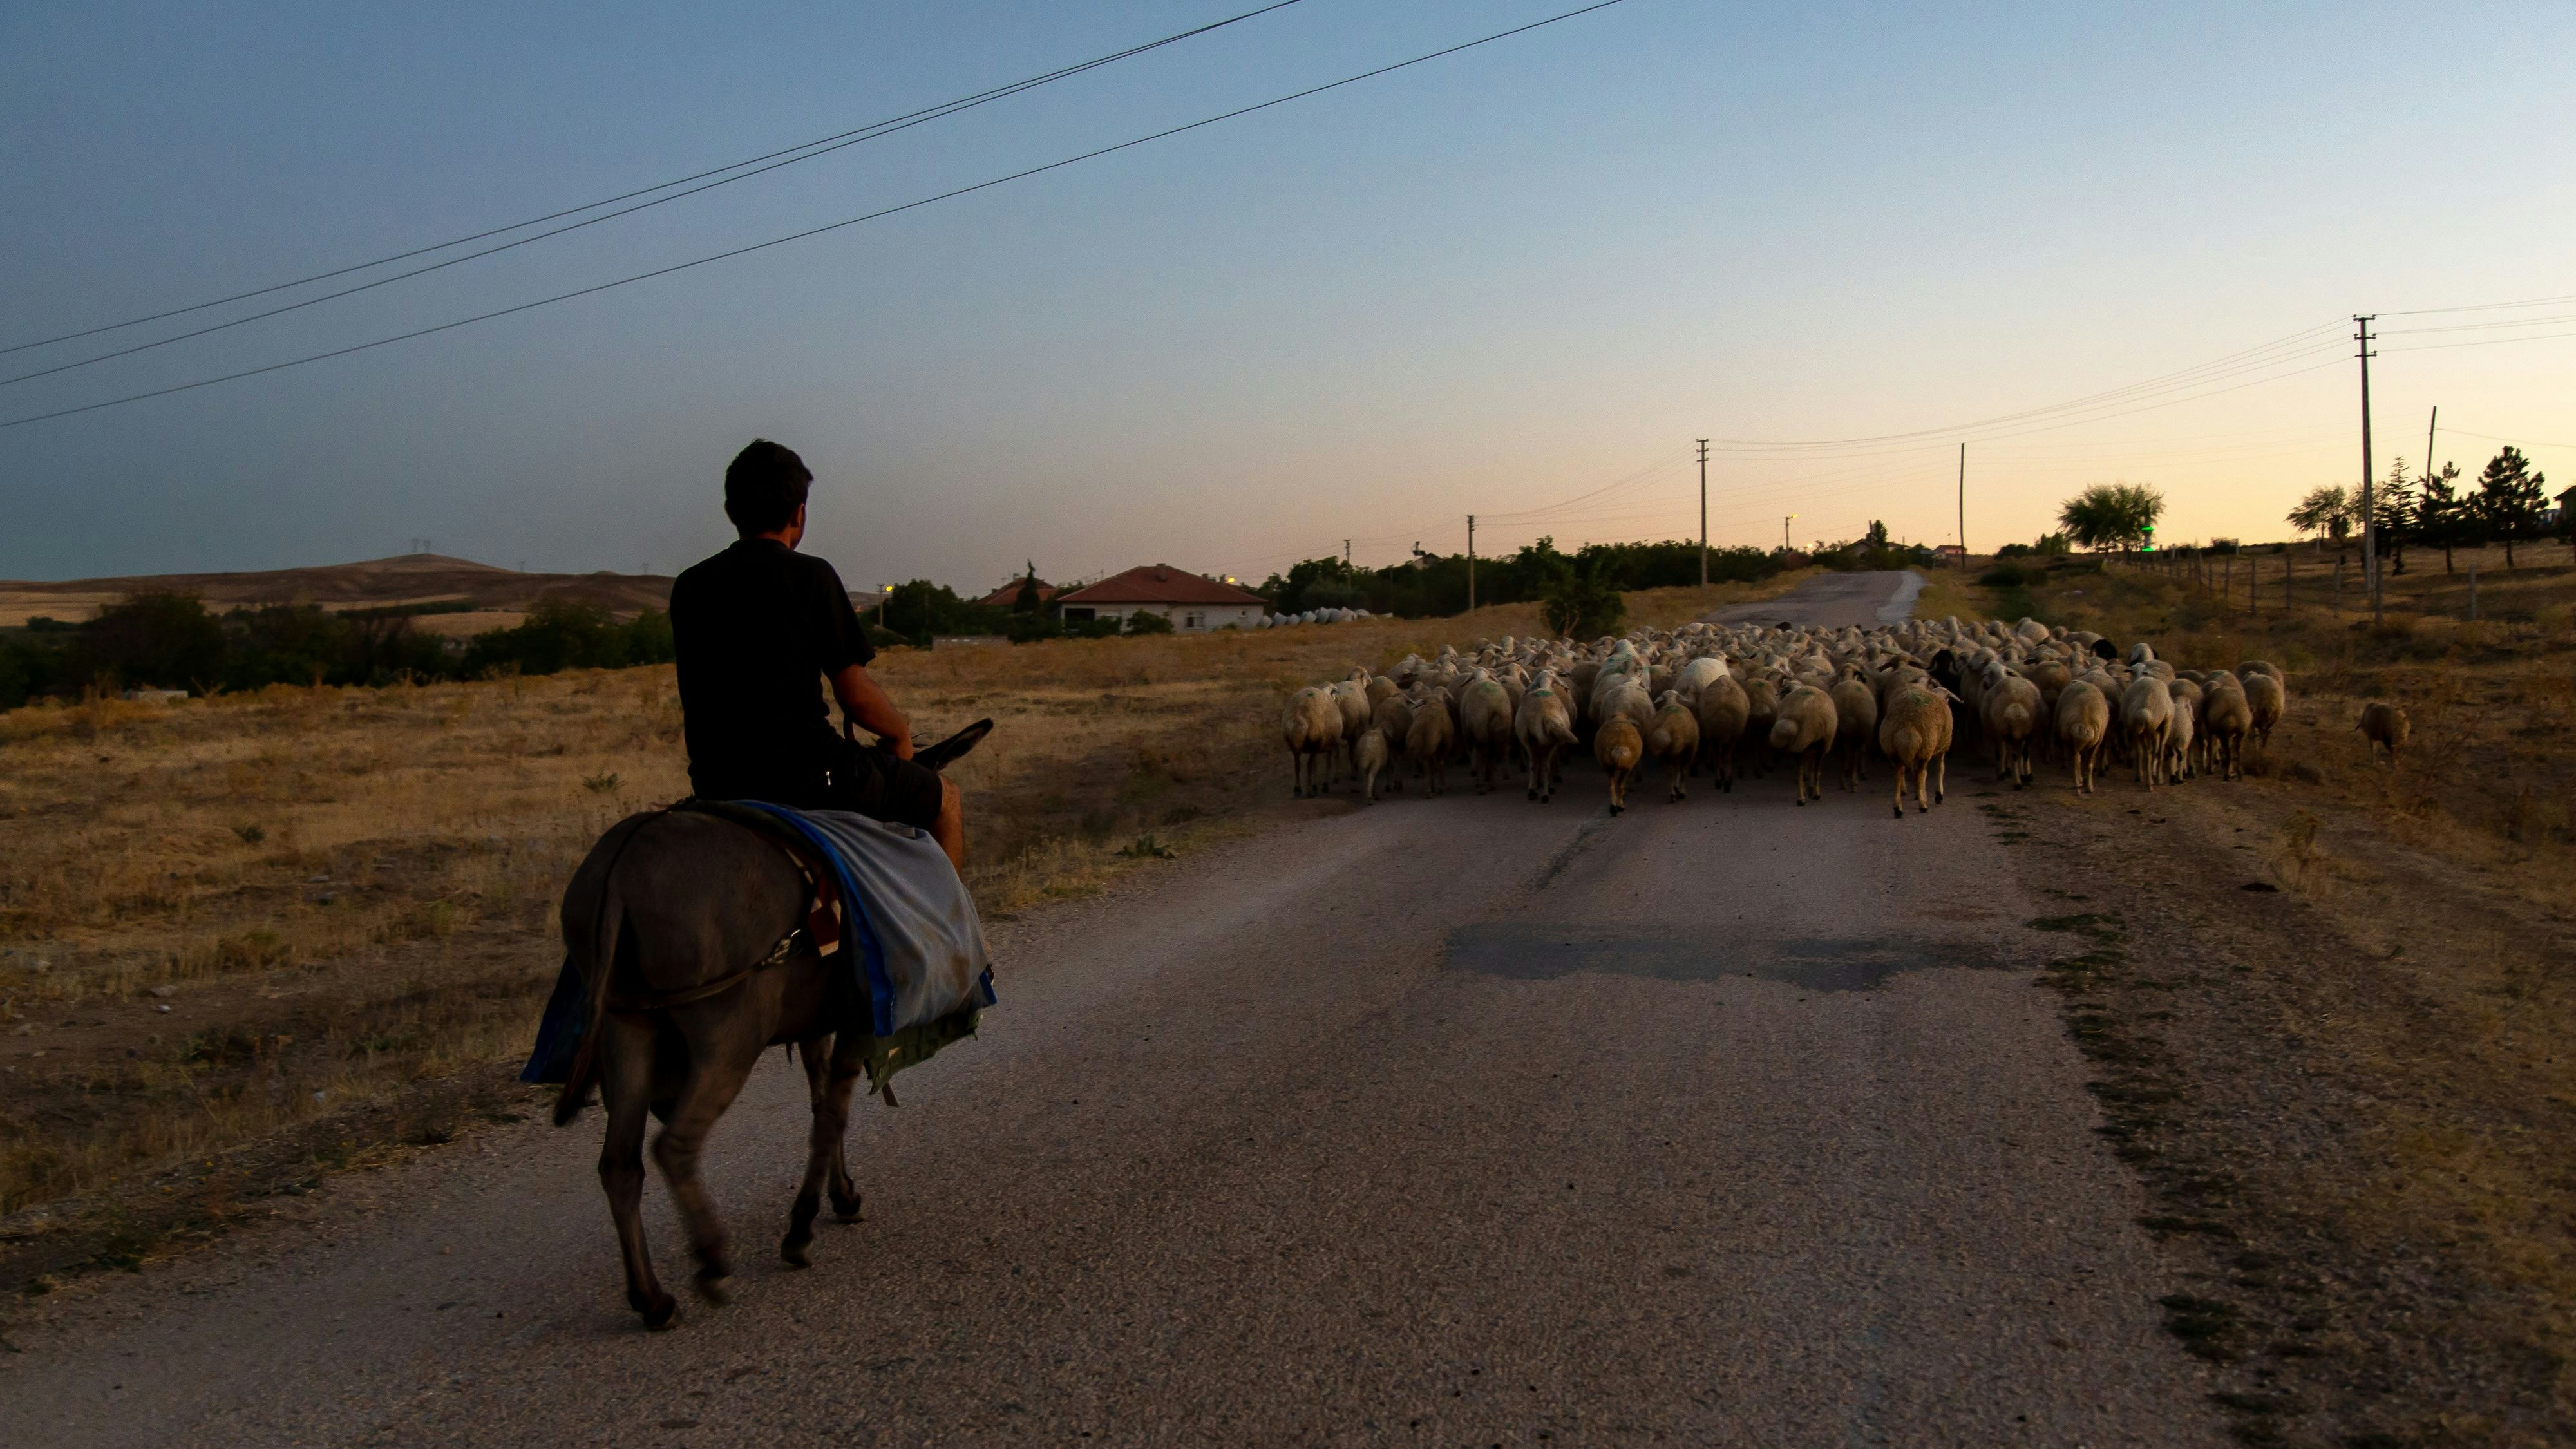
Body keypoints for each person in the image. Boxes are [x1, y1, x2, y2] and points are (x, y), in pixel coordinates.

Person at [670, 439, 965, 869]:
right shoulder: (811, 576)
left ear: (731, 511)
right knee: (946, 800)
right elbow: (856, 695)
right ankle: (947, 913)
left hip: (717, 784)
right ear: (799, 514)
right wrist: (900, 734)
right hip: (809, 777)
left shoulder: (689, 586)